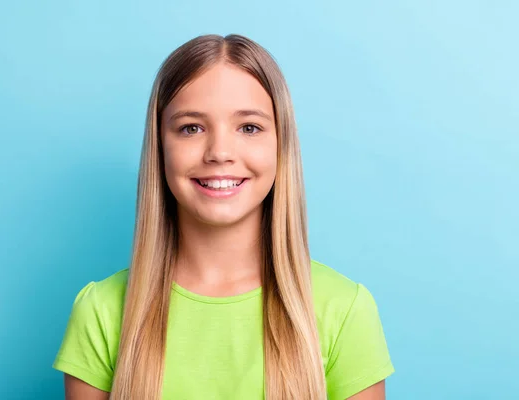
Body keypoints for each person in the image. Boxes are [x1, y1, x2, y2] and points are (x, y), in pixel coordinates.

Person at [52, 33, 394, 400]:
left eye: (249, 127)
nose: (219, 152)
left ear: (281, 145)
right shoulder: (101, 311)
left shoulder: (344, 309)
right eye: (191, 128)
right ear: (160, 147)